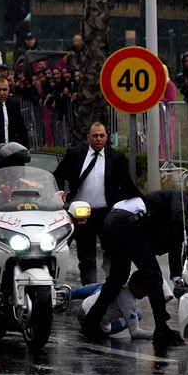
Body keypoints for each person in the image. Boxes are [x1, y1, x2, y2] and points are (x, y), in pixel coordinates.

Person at [81, 190, 188, 345]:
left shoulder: (178, 216)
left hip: (114, 221)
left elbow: (175, 243)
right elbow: (178, 214)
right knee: (153, 277)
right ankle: (161, 330)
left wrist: (176, 276)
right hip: (127, 223)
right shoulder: (185, 198)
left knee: (117, 279)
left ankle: (90, 323)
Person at [55, 122, 137, 284]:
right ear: (88, 138)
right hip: (82, 214)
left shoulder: (116, 157)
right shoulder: (75, 154)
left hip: (106, 213)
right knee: (86, 255)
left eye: (102, 136)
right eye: (95, 136)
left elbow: (126, 183)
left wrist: (138, 203)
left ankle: (110, 284)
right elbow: (58, 175)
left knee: (112, 250)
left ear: (107, 137)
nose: (99, 139)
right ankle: (89, 287)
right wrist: (61, 192)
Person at [75, 270, 154, 340]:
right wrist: (156, 334)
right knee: (138, 314)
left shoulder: (123, 277)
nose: (145, 295)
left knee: (101, 286)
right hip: (96, 327)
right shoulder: (129, 302)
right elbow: (135, 332)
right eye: (143, 292)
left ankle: (69, 293)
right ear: (134, 286)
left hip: (83, 308)